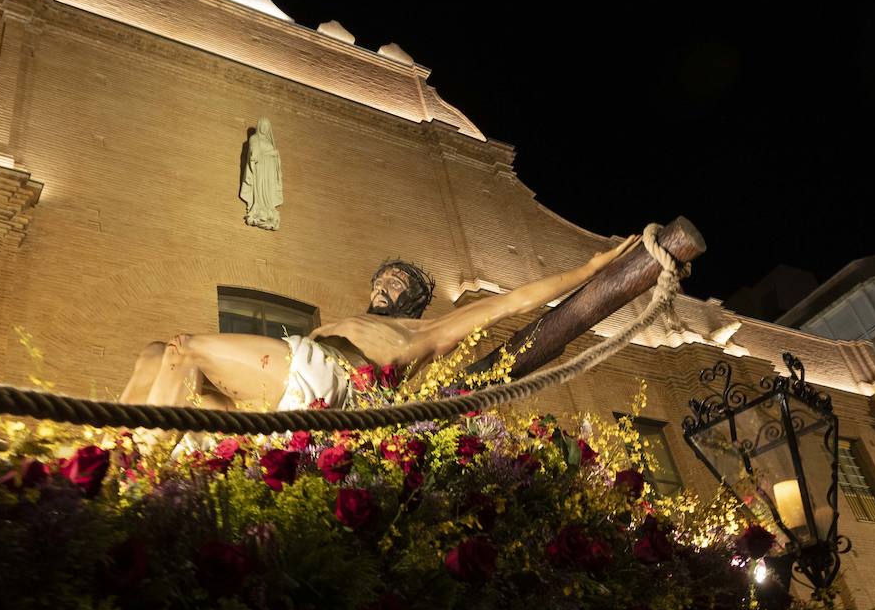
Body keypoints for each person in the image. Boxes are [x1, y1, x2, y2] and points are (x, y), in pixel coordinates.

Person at [120, 235, 641, 411]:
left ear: (414, 301)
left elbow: (514, 301)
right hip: (292, 380)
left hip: (332, 381)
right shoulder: (352, 319)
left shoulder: (423, 334)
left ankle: (135, 466)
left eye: (397, 283)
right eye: (381, 279)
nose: (383, 286)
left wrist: (592, 269)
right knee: (157, 355)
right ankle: (124, 453)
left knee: (184, 347)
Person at [240, 118, 282, 230]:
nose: (264, 128)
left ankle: (268, 208)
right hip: (261, 168)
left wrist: (275, 155)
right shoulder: (254, 138)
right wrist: (271, 153)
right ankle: (259, 207)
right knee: (260, 186)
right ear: (259, 126)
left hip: (270, 169)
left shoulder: (269, 141)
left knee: (268, 187)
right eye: (262, 125)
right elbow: (254, 153)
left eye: (266, 126)